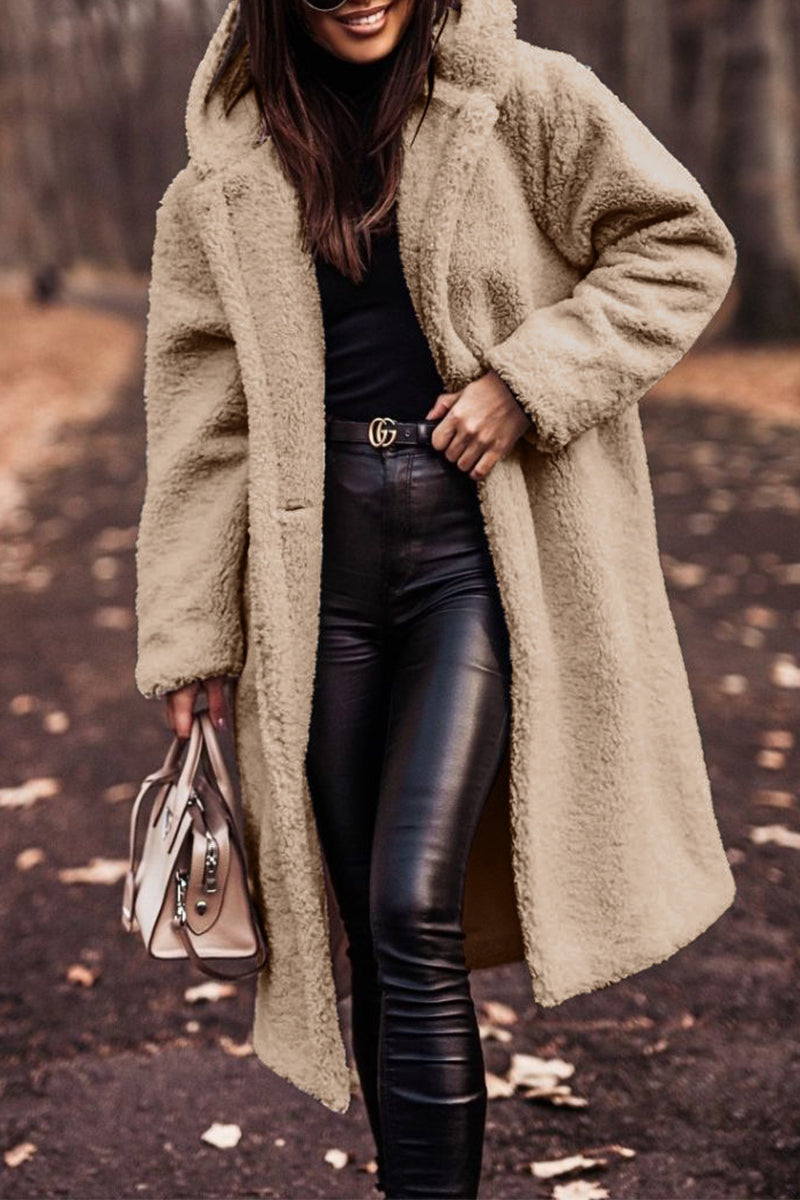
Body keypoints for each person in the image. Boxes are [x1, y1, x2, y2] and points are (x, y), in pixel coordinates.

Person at [134, 0, 738, 1196]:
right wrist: (192, 636)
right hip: (313, 587)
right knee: (367, 924)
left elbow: (678, 243)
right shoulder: (219, 180)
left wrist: (529, 380)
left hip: (478, 557)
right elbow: (201, 425)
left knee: (413, 902)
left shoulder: (528, 98)